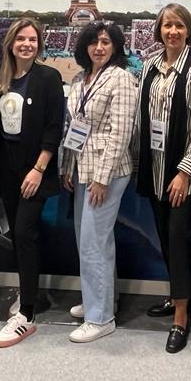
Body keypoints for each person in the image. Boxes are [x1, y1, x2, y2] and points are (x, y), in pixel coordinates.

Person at [132, 2, 191, 354]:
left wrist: (184, 172)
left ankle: (181, 316)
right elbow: (141, 119)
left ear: (188, 30)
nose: (173, 31)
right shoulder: (150, 66)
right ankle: (176, 296)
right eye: (167, 25)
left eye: (179, 25)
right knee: (165, 237)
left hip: (182, 172)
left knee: (178, 239)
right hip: (155, 168)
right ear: (159, 30)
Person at [61, 22, 136, 343]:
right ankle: (103, 299)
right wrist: (68, 166)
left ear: (115, 46)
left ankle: (100, 317)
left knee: (94, 242)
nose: (99, 47)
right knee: (88, 240)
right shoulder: (80, 79)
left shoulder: (121, 78)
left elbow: (121, 133)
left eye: (106, 42)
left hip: (108, 172)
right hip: (82, 168)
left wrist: (102, 179)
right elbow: (74, 127)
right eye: (93, 42)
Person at [0, 17, 65, 348]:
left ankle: (27, 315)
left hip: (34, 170)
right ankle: (27, 294)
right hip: (7, 171)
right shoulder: (3, 79)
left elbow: (54, 128)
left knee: (25, 233)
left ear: (39, 45)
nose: (27, 44)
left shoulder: (48, 77)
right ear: (11, 43)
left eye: (32, 40)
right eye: (21, 39)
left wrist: (38, 169)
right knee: (17, 237)